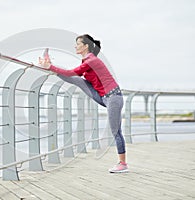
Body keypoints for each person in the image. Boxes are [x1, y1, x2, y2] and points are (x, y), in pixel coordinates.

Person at [39, 34, 128, 173]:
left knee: (116, 131)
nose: (75, 46)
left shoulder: (91, 60)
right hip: (103, 97)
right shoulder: (87, 61)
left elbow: (71, 72)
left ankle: (122, 164)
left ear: (86, 46)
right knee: (79, 80)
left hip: (113, 98)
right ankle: (49, 67)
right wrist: (51, 67)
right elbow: (74, 76)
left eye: (78, 43)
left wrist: (51, 66)